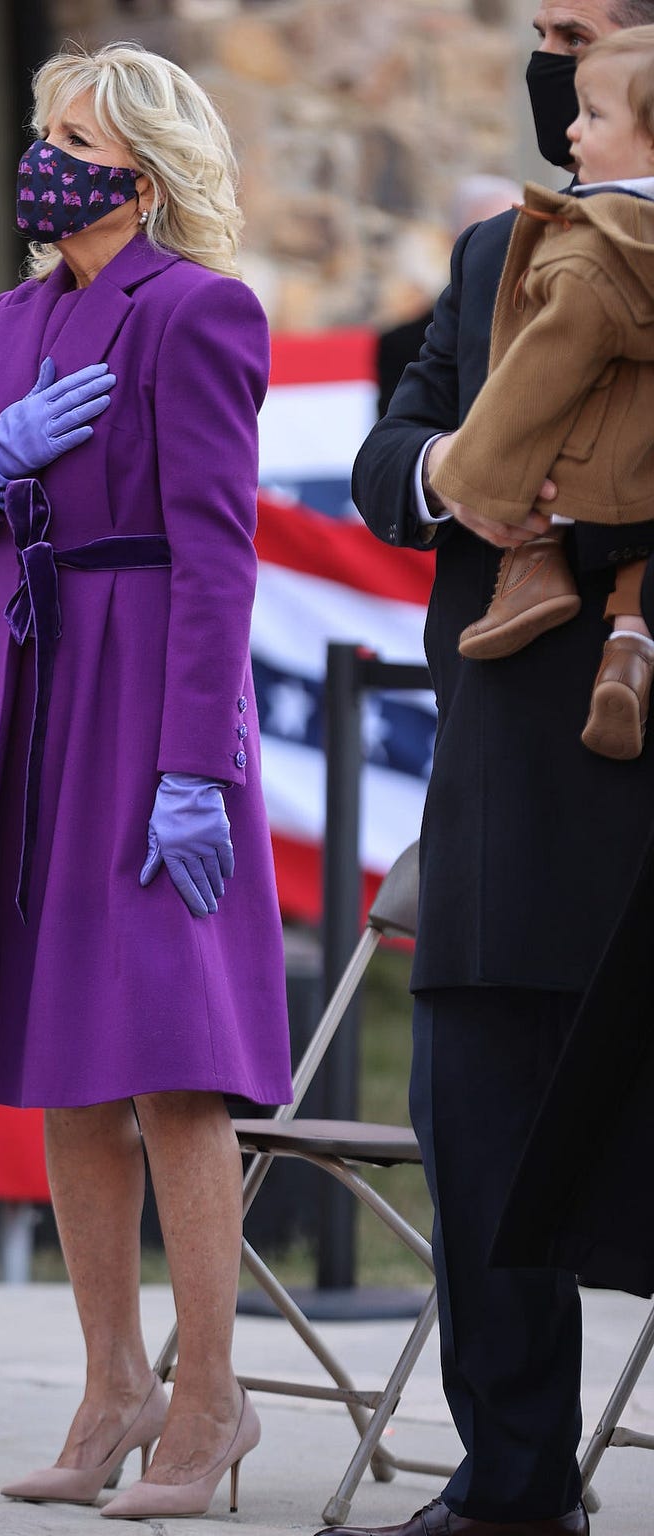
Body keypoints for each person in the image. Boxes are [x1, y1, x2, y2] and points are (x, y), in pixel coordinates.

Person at [0, 42, 292, 1521]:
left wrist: (196, 766)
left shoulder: (199, 311)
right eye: (40, 130)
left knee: (169, 1060)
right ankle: (112, 1381)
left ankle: (212, 1404)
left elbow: (219, 557)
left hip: (148, 704)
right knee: (66, 1055)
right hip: (35, 684)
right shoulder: (10, 317)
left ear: (137, 167)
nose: (43, 160)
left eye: (70, 137)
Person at [324, 3, 654, 1535]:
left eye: (585, 42)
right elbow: (387, 453)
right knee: (484, 1143)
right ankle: (514, 1487)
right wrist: (460, 490)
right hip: (510, 781)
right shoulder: (488, 258)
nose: (556, 72)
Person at [433, 29, 654, 761]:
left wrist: (477, 476)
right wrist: (428, 469)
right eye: (541, 34)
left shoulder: (594, 246)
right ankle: (631, 644)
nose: (568, 129)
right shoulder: (491, 247)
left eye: (593, 116)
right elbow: (399, 437)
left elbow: (540, 374)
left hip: (586, 481)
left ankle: (533, 564)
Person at [375, 176, 522, 418]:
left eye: (520, 235)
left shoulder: (555, 318)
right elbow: (397, 442)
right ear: (454, 243)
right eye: (495, 238)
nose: (510, 251)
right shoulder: (403, 346)